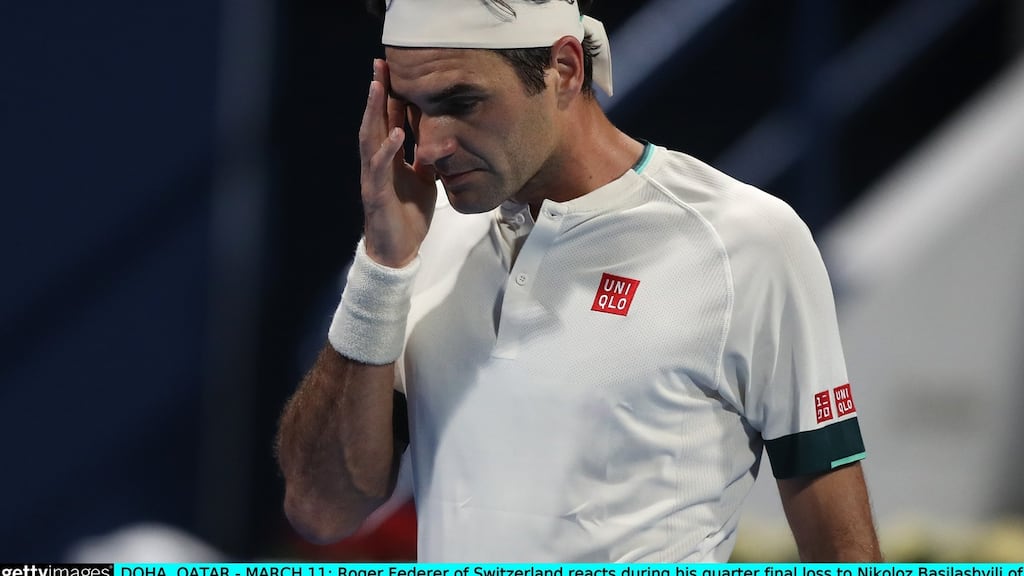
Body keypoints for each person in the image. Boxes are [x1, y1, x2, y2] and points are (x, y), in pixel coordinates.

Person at [276, 0, 882, 562]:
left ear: (565, 68)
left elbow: (842, 550)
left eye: (461, 103)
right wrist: (382, 265)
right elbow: (320, 509)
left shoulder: (749, 242)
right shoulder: (418, 241)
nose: (429, 147)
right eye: (411, 109)